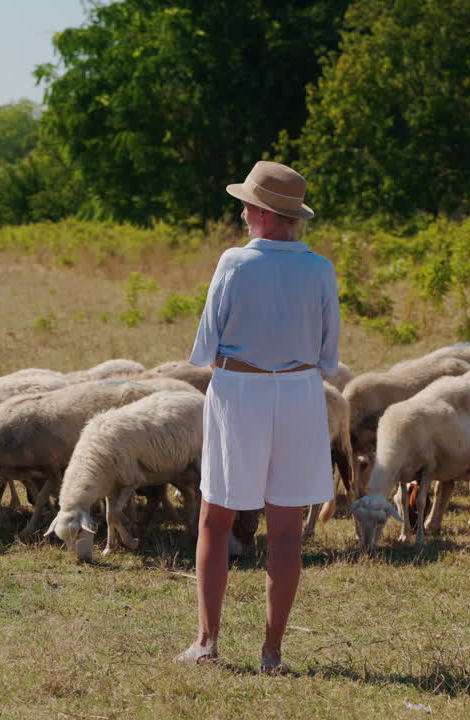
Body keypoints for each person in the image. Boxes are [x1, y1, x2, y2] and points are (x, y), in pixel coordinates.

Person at [174, 160, 340, 675]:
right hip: (298, 393)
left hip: (239, 391)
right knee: (287, 526)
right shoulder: (320, 268)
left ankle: (207, 641)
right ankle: (272, 653)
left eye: (247, 204)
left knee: (216, 517)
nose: (242, 212)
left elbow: (204, 346)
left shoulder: (234, 263)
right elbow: (329, 354)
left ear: (263, 213)